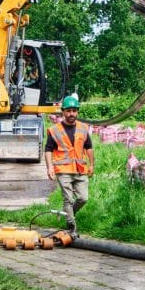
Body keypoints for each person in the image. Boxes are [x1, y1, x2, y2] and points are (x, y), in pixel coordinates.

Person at [44, 94, 94, 236]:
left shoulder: (83, 128)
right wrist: (49, 167)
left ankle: (68, 212)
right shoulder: (55, 130)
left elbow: (89, 147)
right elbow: (48, 150)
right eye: (68, 111)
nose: (71, 113)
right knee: (68, 198)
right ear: (63, 112)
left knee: (83, 198)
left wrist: (92, 165)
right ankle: (71, 227)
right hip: (63, 170)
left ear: (77, 111)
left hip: (80, 169)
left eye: (74, 110)